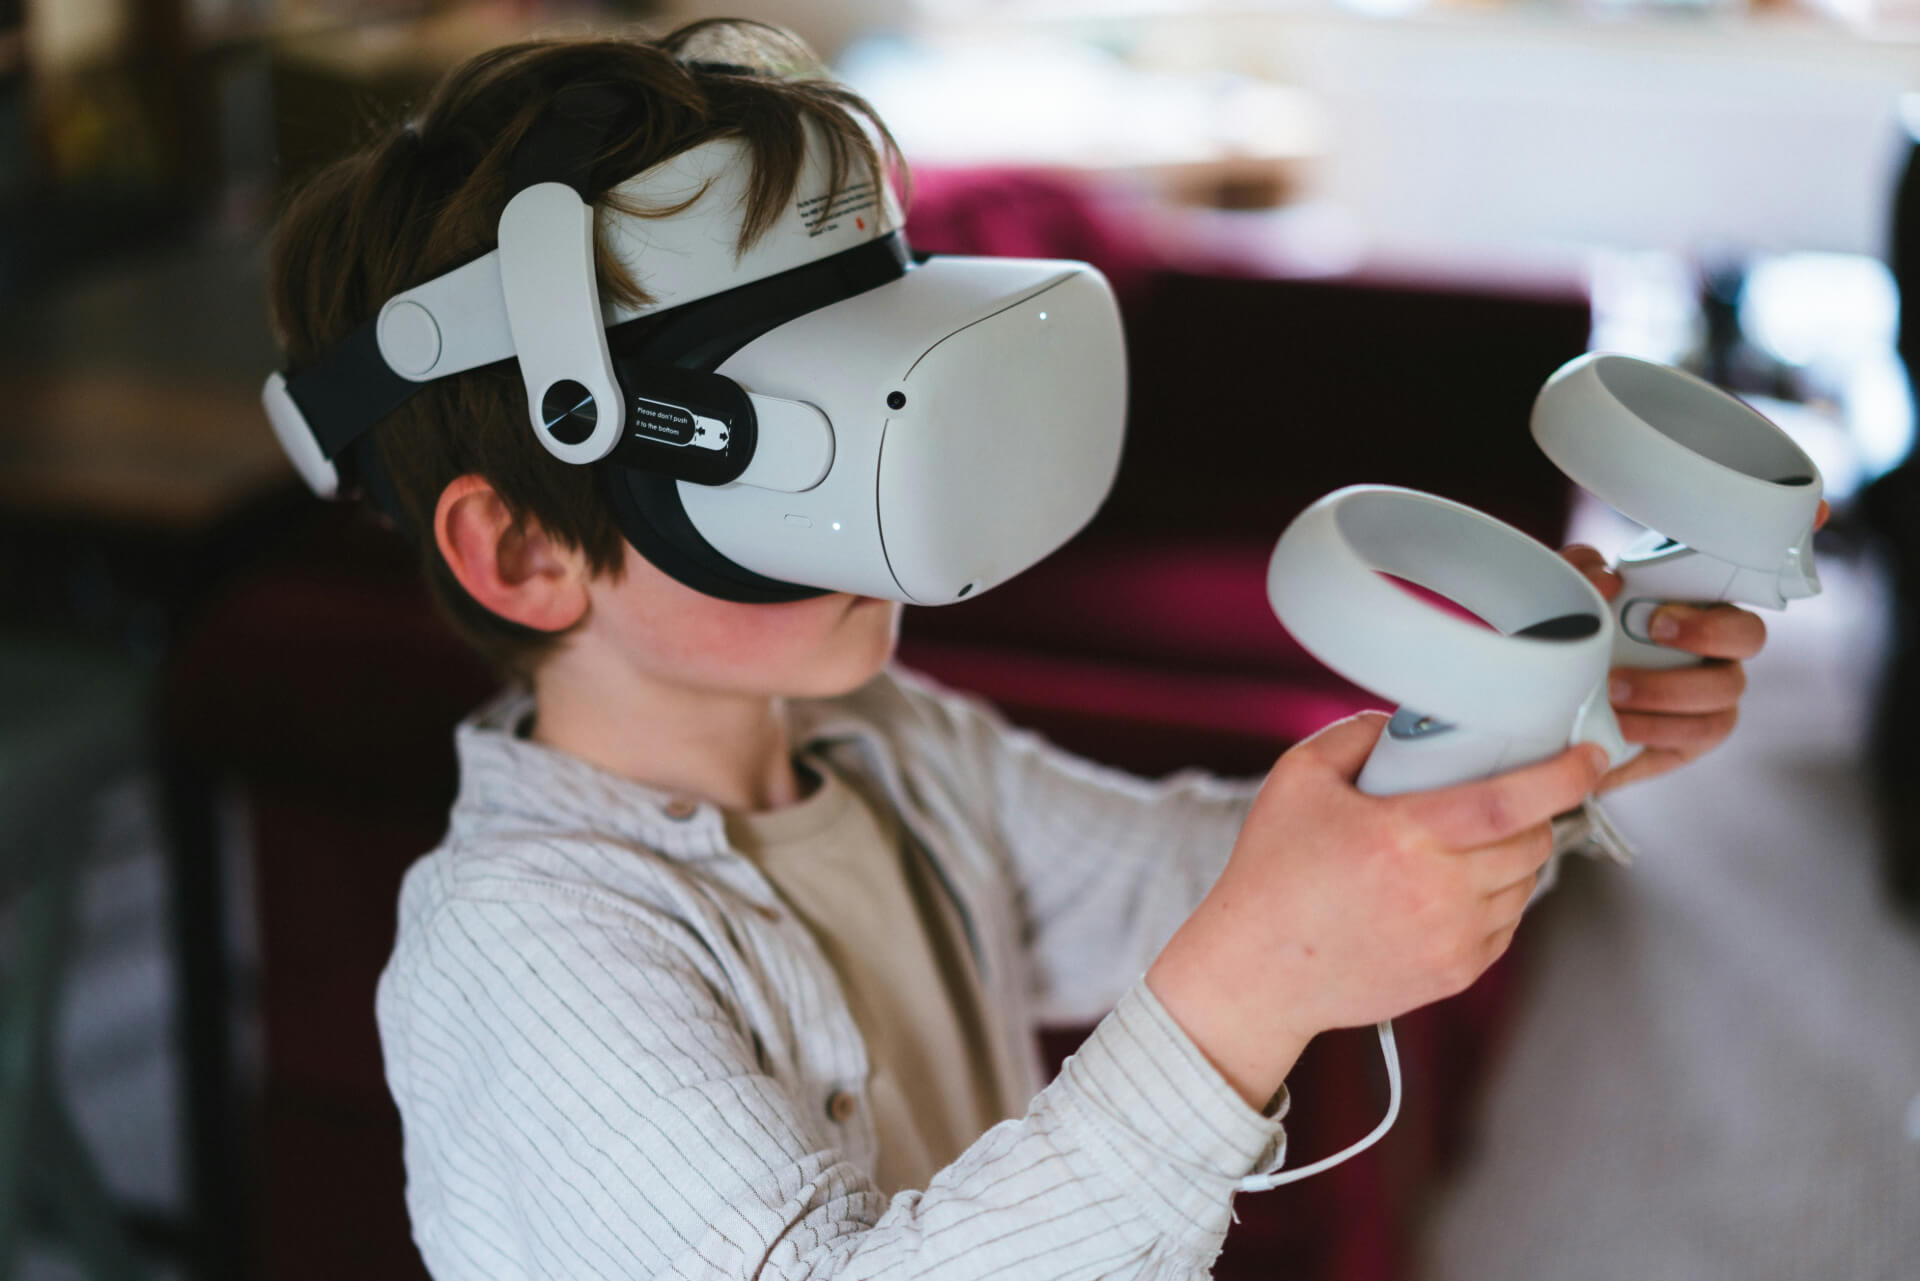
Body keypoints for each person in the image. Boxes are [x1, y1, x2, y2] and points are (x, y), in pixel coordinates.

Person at [264, 19, 1792, 1281]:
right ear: (528, 552)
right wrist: (1243, 993)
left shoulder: (890, 736)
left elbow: (1191, 875)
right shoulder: (522, 946)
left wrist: (1536, 713)